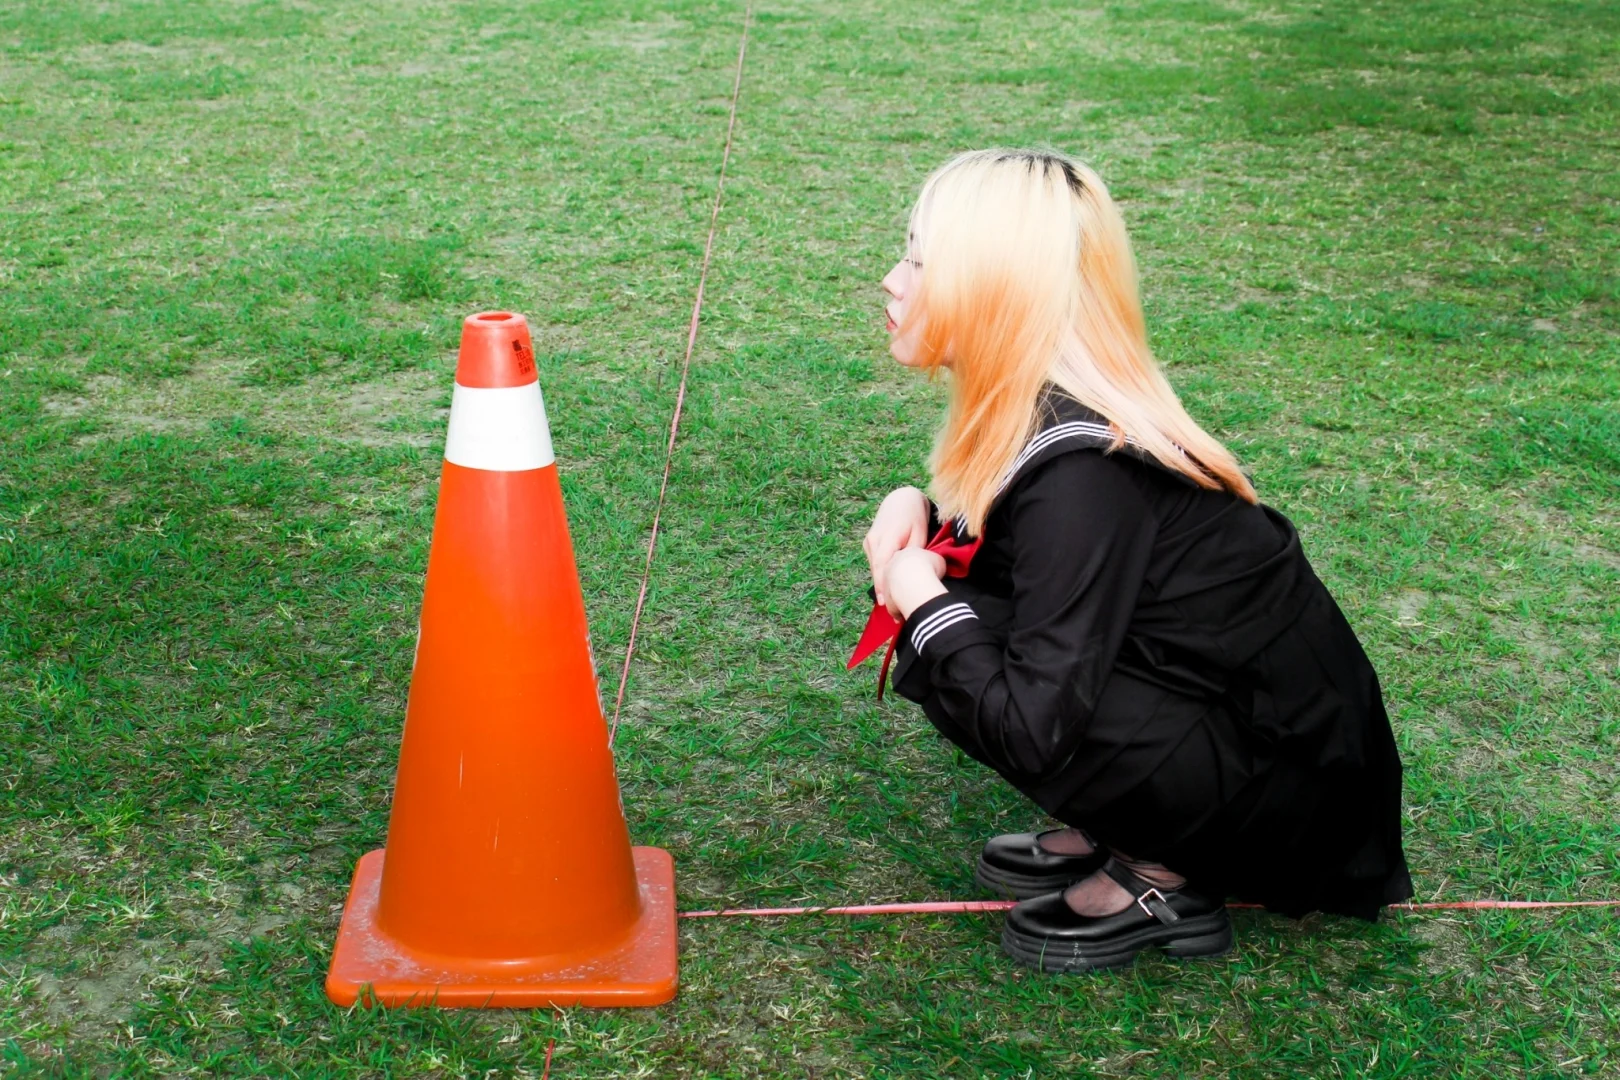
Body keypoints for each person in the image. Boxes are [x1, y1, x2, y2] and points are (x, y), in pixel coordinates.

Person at [860, 149, 1413, 973]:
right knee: (956, 604)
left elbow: (1030, 725)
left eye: (918, 259)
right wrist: (923, 512)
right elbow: (1031, 572)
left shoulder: (1083, 476)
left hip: (1296, 801)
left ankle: (1165, 872)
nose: (890, 281)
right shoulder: (1056, 417)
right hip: (1257, 740)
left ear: (994, 291)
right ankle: (1142, 818)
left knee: (945, 624)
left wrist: (922, 600)